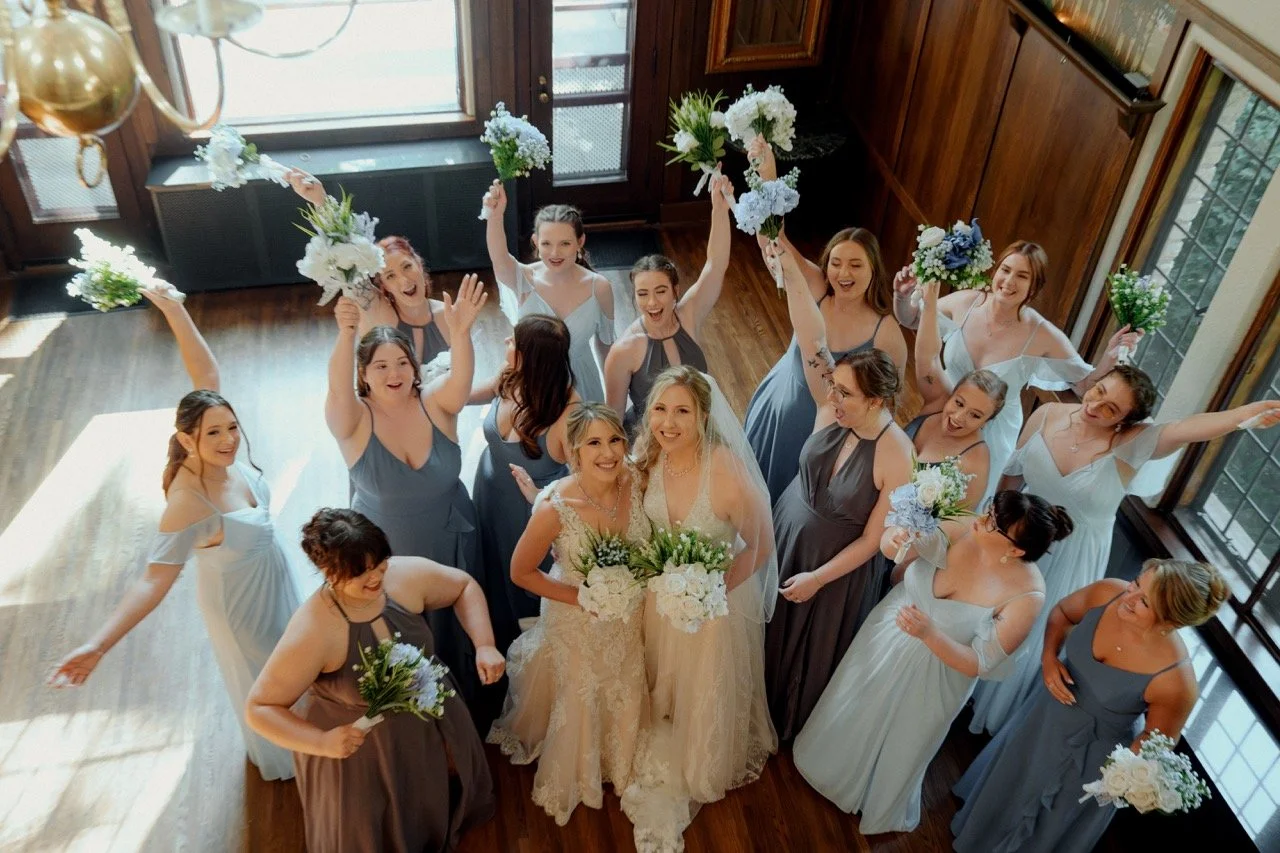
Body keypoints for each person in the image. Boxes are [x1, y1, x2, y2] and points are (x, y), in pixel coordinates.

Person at [48, 288, 300, 781]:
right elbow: (152, 581)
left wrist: (174, 309)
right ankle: (290, 759)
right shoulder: (188, 503)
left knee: (298, 660)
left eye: (232, 427)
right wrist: (98, 646)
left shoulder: (213, 437)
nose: (229, 441)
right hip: (241, 607)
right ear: (187, 439)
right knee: (271, 679)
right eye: (213, 434)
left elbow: (206, 377)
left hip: (273, 578)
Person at [968, 365, 1280, 736]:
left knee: (1035, 629)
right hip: (1019, 536)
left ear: (1125, 423)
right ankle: (965, 678)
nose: (1095, 406)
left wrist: (1244, 415)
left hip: (1072, 555)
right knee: (989, 609)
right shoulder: (1046, 414)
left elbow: (1188, 428)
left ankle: (1000, 719)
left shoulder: (1132, 445)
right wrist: (995, 525)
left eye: (1111, 409)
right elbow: (1012, 478)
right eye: (1099, 391)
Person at [793, 491, 1072, 835]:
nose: (981, 522)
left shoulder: (1027, 596)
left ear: (1015, 550)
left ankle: (876, 800)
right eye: (988, 512)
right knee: (856, 698)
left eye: (993, 524)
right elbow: (892, 550)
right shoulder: (961, 524)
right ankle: (827, 765)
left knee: (905, 736)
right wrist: (895, 539)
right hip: (889, 630)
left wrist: (930, 635)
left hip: (941, 672)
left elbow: (979, 663)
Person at [245, 509, 501, 852]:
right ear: (328, 572)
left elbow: (463, 586)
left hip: (424, 726)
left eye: (379, 564)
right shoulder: (315, 628)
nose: (375, 579)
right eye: (359, 573)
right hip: (362, 751)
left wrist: (484, 644)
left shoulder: (402, 577)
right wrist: (321, 743)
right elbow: (259, 707)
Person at [953, 561, 1228, 852]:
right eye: (1136, 583)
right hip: (1043, 716)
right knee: (1012, 778)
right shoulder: (1106, 592)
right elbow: (1061, 613)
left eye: (1144, 601)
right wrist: (1049, 659)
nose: (1128, 597)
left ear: (1170, 623)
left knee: (1048, 819)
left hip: (1089, 761)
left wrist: (1124, 774)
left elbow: (1156, 742)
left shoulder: (1176, 682)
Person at [620, 365, 778, 853]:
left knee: (700, 687)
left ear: (703, 416)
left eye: (682, 411)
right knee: (661, 677)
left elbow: (761, 546)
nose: (668, 423)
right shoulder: (649, 458)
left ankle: (700, 753)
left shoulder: (725, 472)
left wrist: (711, 592)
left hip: (712, 610)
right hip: (657, 600)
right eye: (660, 410)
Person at [762, 243, 914, 741]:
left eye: (844, 392)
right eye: (835, 388)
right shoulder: (834, 409)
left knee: (801, 645)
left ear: (877, 400)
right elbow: (811, 337)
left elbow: (873, 542)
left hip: (832, 568)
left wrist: (816, 579)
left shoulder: (897, 454)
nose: (832, 398)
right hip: (787, 533)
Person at [326, 277, 490, 709]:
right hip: (388, 559)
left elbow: (462, 378)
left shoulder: (435, 403)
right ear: (363, 374)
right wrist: (346, 335)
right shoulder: (354, 422)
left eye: (401, 363)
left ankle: (466, 707)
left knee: (458, 635)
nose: (394, 374)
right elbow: (337, 391)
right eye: (380, 366)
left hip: (452, 541)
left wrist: (461, 334)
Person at [489, 403, 652, 825]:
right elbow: (520, 572)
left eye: (615, 439)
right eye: (594, 443)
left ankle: (620, 755)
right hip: (575, 614)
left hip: (628, 615)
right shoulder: (554, 509)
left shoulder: (635, 478)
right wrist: (581, 598)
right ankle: (581, 766)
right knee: (583, 688)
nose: (609, 453)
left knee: (625, 679)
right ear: (574, 452)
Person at [893, 242, 1141, 508]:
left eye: (1022, 276)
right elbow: (913, 320)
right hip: (947, 406)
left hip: (993, 431)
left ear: (1034, 287)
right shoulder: (966, 301)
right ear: (995, 271)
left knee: (958, 504)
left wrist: (1110, 355)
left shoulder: (1041, 333)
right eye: (1006, 270)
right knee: (910, 481)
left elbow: (1083, 385)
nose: (1009, 281)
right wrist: (901, 296)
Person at [744, 139, 907, 505]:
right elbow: (774, 241)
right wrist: (767, 176)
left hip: (828, 429)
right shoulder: (816, 286)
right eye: (836, 262)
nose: (842, 273)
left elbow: (888, 401)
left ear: (873, 270)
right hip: (779, 404)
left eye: (855, 265)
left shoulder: (886, 332)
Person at [470, 315, 576, 653]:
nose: (506, 344)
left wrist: (543, 502)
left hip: (527, 511)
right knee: (493, 569)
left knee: (524, 581)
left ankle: (530, 654)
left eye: (513, 342)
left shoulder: (569, 411)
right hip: (488, 495)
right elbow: (467, 396)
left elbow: (582, 482)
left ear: (533, 357)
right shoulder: (510, 375)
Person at [604, 173, 734, 434]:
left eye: (660, 291)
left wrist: (719, 210)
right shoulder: (624, 351)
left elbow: (716, 264)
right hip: (652, 442)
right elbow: (614, 419)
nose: (652, 302)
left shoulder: (689, 316)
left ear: (676, 291)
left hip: (697, 431)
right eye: (642, 294)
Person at [286, 169, 451, 364]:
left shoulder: (449, 314)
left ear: (419, 265)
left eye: (407, 267)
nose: (404, 280)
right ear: (383, 286)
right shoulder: (378, 312)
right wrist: (321, 201)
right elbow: (344, 254)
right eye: (390, 276)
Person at [483, 181, 615, 402]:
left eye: (565, 243)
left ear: (580, 242)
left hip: (581, 384)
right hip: (532, 383)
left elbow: (606, 348)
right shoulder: (524, 279)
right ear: (535, 242)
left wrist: (613, 402)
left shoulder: (599, 287)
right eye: (546, 244)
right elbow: (499, 258)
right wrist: (495, 216)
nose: (555, 252)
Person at [908, 280, 1009, 511]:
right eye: (959, 403)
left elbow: (955, 526)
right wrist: (931, 300)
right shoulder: (938, 402)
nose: (959, 417)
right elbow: (927, 358)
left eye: (975, 415)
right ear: (952, 394)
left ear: (986, 422)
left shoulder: (975, 462)